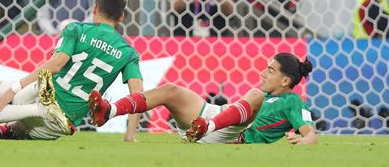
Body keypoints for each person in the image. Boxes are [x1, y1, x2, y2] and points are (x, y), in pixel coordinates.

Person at [0, 0, 144, 141]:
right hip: (60, 122)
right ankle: (3, 126)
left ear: (95, 8)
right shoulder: (128, 53)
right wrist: (130, 135)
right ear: (121, 17)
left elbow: (55, 64)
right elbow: (137, 96)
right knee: (11, 131)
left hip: (40, 95)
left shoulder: (76, 29)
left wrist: (15, 87)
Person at [89, 53, 317, 145]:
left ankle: (206, 127)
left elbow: (310, 134)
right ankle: (109, 111)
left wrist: (304, 140)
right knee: (170, 90)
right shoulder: (265, 95)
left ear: (286, 81)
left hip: (233, 134)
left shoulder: (293, 103)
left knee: (254, 95)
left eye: (270, 70)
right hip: (214, 117)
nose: (263, 73)